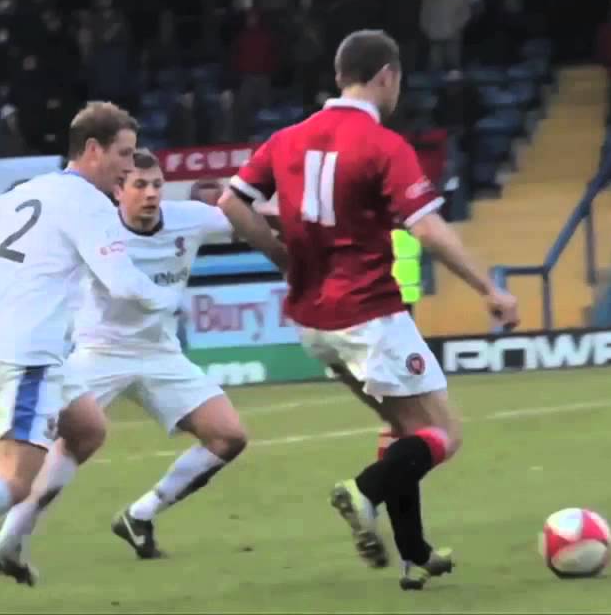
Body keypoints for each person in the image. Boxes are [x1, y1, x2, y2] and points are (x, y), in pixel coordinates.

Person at [219, 29, 519, 591]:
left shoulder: (286, 140)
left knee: (402, 429)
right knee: (443, 433)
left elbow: (231, 201)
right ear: (387, 76)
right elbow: (427, 229)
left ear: (338, 77)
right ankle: (365, 491)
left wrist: (283, 257)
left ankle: (414, 556)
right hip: (369, 315)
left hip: (312, 321)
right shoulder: (383, 146)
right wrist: (489, 289)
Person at [0, 102, 179, 615]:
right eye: (124, 155)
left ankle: (11, 545)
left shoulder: (30, 191)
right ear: (93, 150)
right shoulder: (90, 204)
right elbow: (122, 283)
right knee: (15, 475)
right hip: (29, 353)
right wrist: (167, 298)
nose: (130, 168)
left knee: (87, 428)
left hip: (29, 346)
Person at [0, 149, 255, 571]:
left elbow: (246, 216)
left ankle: (139, 515)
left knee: (228, 437)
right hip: (97, 353)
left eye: (157, 185)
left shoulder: (190, 218)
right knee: (35, 450)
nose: (150, 194)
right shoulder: (95, 227)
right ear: (117, 191)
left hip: (162, 353)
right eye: (139, 185)